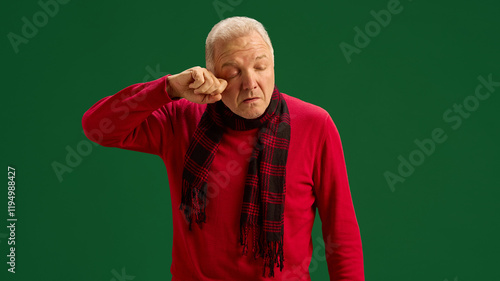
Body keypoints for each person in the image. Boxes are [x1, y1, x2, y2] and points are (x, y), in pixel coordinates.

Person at [82, 16, 364, 281]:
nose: (250, 82)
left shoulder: (315, 124)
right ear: (213, 75)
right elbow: (97, 126)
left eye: (260, 66)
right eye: (233, 71)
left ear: (273, 67)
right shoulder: (180, 118)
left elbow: (341, 231)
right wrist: (168, 88)